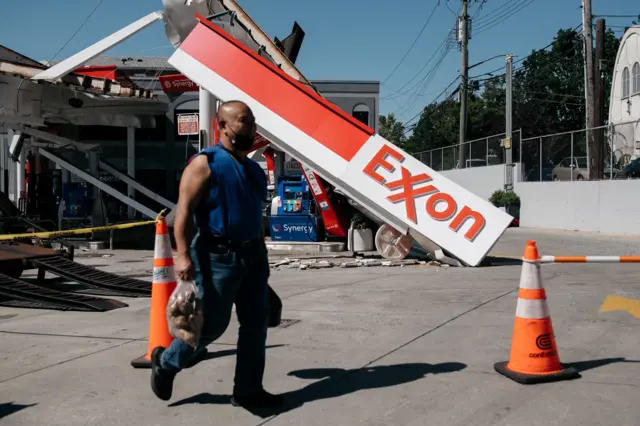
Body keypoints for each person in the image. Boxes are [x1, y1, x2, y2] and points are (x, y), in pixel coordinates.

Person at [150, 100, 283, 409]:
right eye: (243, 122)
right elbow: (182, 213)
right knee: (210, 326)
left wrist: (262, 267)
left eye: (252, 122)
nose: (251, 128)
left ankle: (248, 391)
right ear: (222, 126)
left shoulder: (253, 170)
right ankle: (167, 363)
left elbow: (254, 217)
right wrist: (183, 256)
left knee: (255, 325)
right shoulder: (204, 163)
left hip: (252, 258)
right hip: (217, 257)